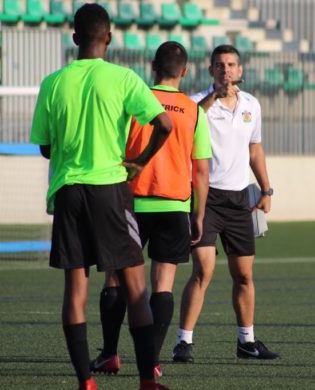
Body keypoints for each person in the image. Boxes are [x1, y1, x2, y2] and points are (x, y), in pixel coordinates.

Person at [29, 4, 172, 390]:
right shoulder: (123, 78)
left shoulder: (53, 83)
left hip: (68, 190)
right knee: (135, 286)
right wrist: (139, 163)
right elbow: (164, 124)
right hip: (111, 188)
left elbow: (44, 147)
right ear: (108, 37)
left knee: (75, 289)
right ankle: (146, 381)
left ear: (74, 38)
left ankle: (86, 382)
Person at [89, 41, 212, 377]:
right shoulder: (193, 110)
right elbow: (200, 169)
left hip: (131, 202)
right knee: (164, 285)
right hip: (175, 206)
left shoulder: (135, 99)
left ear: (153, 66)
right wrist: (198, 214)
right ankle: (153, 362)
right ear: (184, 71)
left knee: (115, 277)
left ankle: (109, 354)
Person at [172, 44, 279, 363]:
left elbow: (255, 150)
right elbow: (188, 125)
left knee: (244, 276)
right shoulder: (197, 103)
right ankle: (184, 342)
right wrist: (214, 97)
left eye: (231, 65)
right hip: (205, 199)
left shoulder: (251, 105)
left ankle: (246, 341)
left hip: (238, 200)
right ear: (210, 71)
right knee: (203, 270)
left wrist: (266, 190)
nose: (226, 70)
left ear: (241, 70)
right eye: (219, 65)